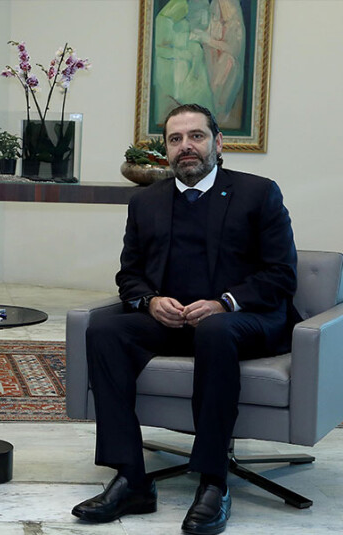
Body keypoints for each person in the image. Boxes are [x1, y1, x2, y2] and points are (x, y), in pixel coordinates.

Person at [71, 104, 298, 535]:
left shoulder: (258, 193)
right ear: (166, 150)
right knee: (105, 330)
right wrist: (150, 301)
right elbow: (129, 275)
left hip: (242, 321)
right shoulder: (146, 202)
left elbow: (282, 274)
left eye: (196, 136)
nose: (186, 146)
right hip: (173, 322)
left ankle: (213, 481)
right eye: (175, 139)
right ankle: (131, 479)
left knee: (214, 330)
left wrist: (224, 303)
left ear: (218, 143)